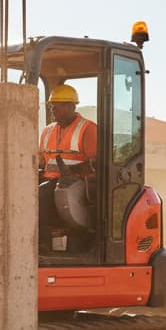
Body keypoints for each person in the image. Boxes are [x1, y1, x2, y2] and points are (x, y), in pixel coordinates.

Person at [38, 83, 98, 253]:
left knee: (38, 198)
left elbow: (96, 163)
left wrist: (72, 171)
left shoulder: (88, 129)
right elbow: (41, 160)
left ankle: (41, 247)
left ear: (71, 106)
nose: (53, 110)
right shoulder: (47, 131)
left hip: (75, 184)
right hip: (50, 181)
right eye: (52, 106)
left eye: (58, 105)